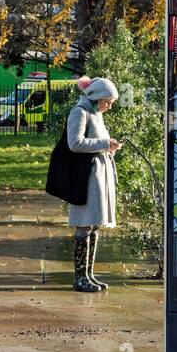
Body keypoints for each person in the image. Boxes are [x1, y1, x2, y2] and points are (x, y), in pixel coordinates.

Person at [66, 77, 122, 292]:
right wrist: (104, 143)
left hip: (98, 175)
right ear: (97, 97)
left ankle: (88, 274)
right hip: (87, 178)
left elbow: (94, 142)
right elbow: (75, 143)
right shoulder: (80, 112)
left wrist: (109, 146)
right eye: (108, 101)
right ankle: (79, 277)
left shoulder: (96, 114)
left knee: (94, 224)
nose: (110, 105)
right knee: (84, 223)